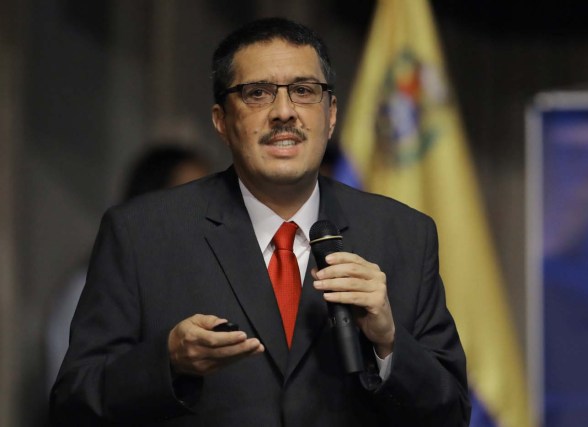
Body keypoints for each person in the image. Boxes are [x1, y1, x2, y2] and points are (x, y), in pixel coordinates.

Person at [50, 18, 470, 426]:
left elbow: (452, 414)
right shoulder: (141, 234)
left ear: (332, 114)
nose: (284, 112)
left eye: (304, 91)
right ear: (221, 121)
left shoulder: (404, 234)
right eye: (257, 93)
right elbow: (73, 405)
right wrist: (169, 362)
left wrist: (389, 343)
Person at [45, 143, 211, 392]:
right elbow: (73, 391)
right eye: (186, 199)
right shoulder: (93, 285)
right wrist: (169, 358)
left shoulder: (205, 277)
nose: (200, 214)